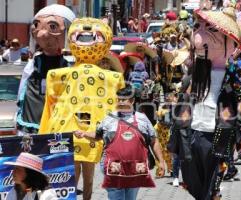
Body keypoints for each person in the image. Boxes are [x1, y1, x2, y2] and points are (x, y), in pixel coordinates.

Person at [39, 18, 124, 200]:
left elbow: (49, 109)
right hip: (93, 135)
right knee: (88, 178)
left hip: (67, 134)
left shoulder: (57, 75)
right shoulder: (113, 78)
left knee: (69, 178)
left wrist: (43, 136)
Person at [172, 6, 241, 200]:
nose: (199, 34)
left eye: (212, 29)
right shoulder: (194, 76)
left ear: (230, 44)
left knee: (212, 184)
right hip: (191, 134)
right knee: (193, 182)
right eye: (197, 27)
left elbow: (239, 107)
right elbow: (184, 103)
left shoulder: (232, 81)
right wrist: (175, 136)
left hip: (217, 136)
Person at [74, 85, 165, 200]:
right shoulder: (109, 118)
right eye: (118, 99)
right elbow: (98, 135)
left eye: (123, 99)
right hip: (113, 168)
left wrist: (161, 162)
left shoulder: (142, 118)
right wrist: (84, 134)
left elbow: (153, 140)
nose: (120, 102)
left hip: (136, 169)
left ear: (132, 100)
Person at [16, 4, 76, 135]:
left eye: (52, 27)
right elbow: (23, 88)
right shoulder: (33, 64)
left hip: (58, 117)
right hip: (32, 116)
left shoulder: (69, 66)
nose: (43, 34)